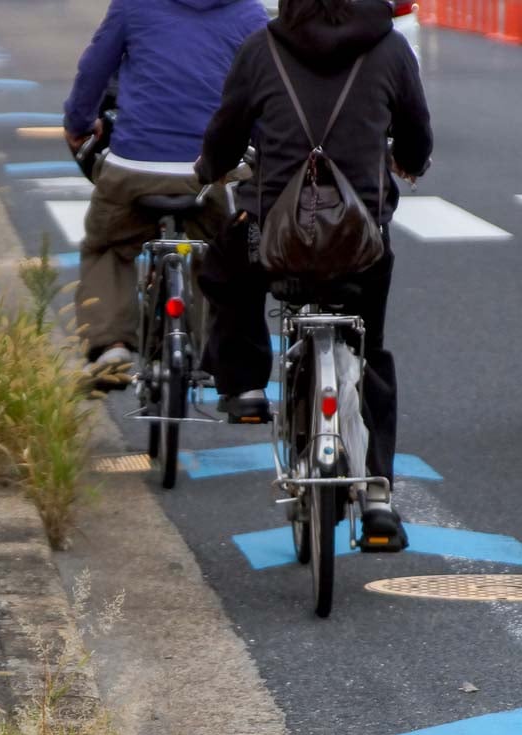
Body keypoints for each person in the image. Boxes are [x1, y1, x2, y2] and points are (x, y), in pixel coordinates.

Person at [193, 0, 433, 545]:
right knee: (370, 350)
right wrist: (410, 163)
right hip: (359, 244)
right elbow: (416, 132)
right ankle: (377, 496)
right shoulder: (391, 48)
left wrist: (210, 168)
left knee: (227, 264)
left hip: (276, 246)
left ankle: (246, 386)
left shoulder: (263, 48)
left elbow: (227, 130)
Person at [63, 0, 268, 379]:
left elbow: (93, 71)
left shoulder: (133, 5)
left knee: (106, 245)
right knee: (222, 252)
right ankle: (211, 347)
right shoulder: (248, 13)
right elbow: (264, 91)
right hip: (213, 172)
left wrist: (78, 121)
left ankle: (111, 345)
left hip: (135, 165)